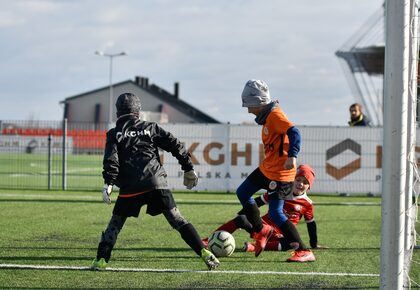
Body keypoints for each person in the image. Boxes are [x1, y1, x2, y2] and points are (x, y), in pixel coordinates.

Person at [90, 93, 220, 271]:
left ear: (117, 112)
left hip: (130, 187)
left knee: (115, 224)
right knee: (178, 220)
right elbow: (175, 145)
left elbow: (111, 160)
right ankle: (205, 253)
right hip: (155, 182)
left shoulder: (114, 133)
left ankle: (101, 261)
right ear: (138, 111)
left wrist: (109, 183)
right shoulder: (150, 127)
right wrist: (188, 167)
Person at [236, 79, 314, 261]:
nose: (248, 110)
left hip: (280, 174)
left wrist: (292, 156)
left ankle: (304, 251)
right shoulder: (266, 118)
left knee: (275, 213)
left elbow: (294, 133)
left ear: (258, 102)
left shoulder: (275, 116)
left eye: (248, 105)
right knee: (242, 192)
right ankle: (261, 230)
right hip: (267, 169)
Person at [203, 164, 322, 262]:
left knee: (290, 243)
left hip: (279, 235)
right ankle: (209, 240)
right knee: (241, 219)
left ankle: (253, 247)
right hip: (262, 228)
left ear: (309, 187)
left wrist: (314, 243)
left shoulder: (307, 203)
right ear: (293, 179)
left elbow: (311, 224)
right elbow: (258, 201)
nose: (300, 184)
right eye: (298, 179)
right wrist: (243, 213)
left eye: (305, 182)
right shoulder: (282, 190)